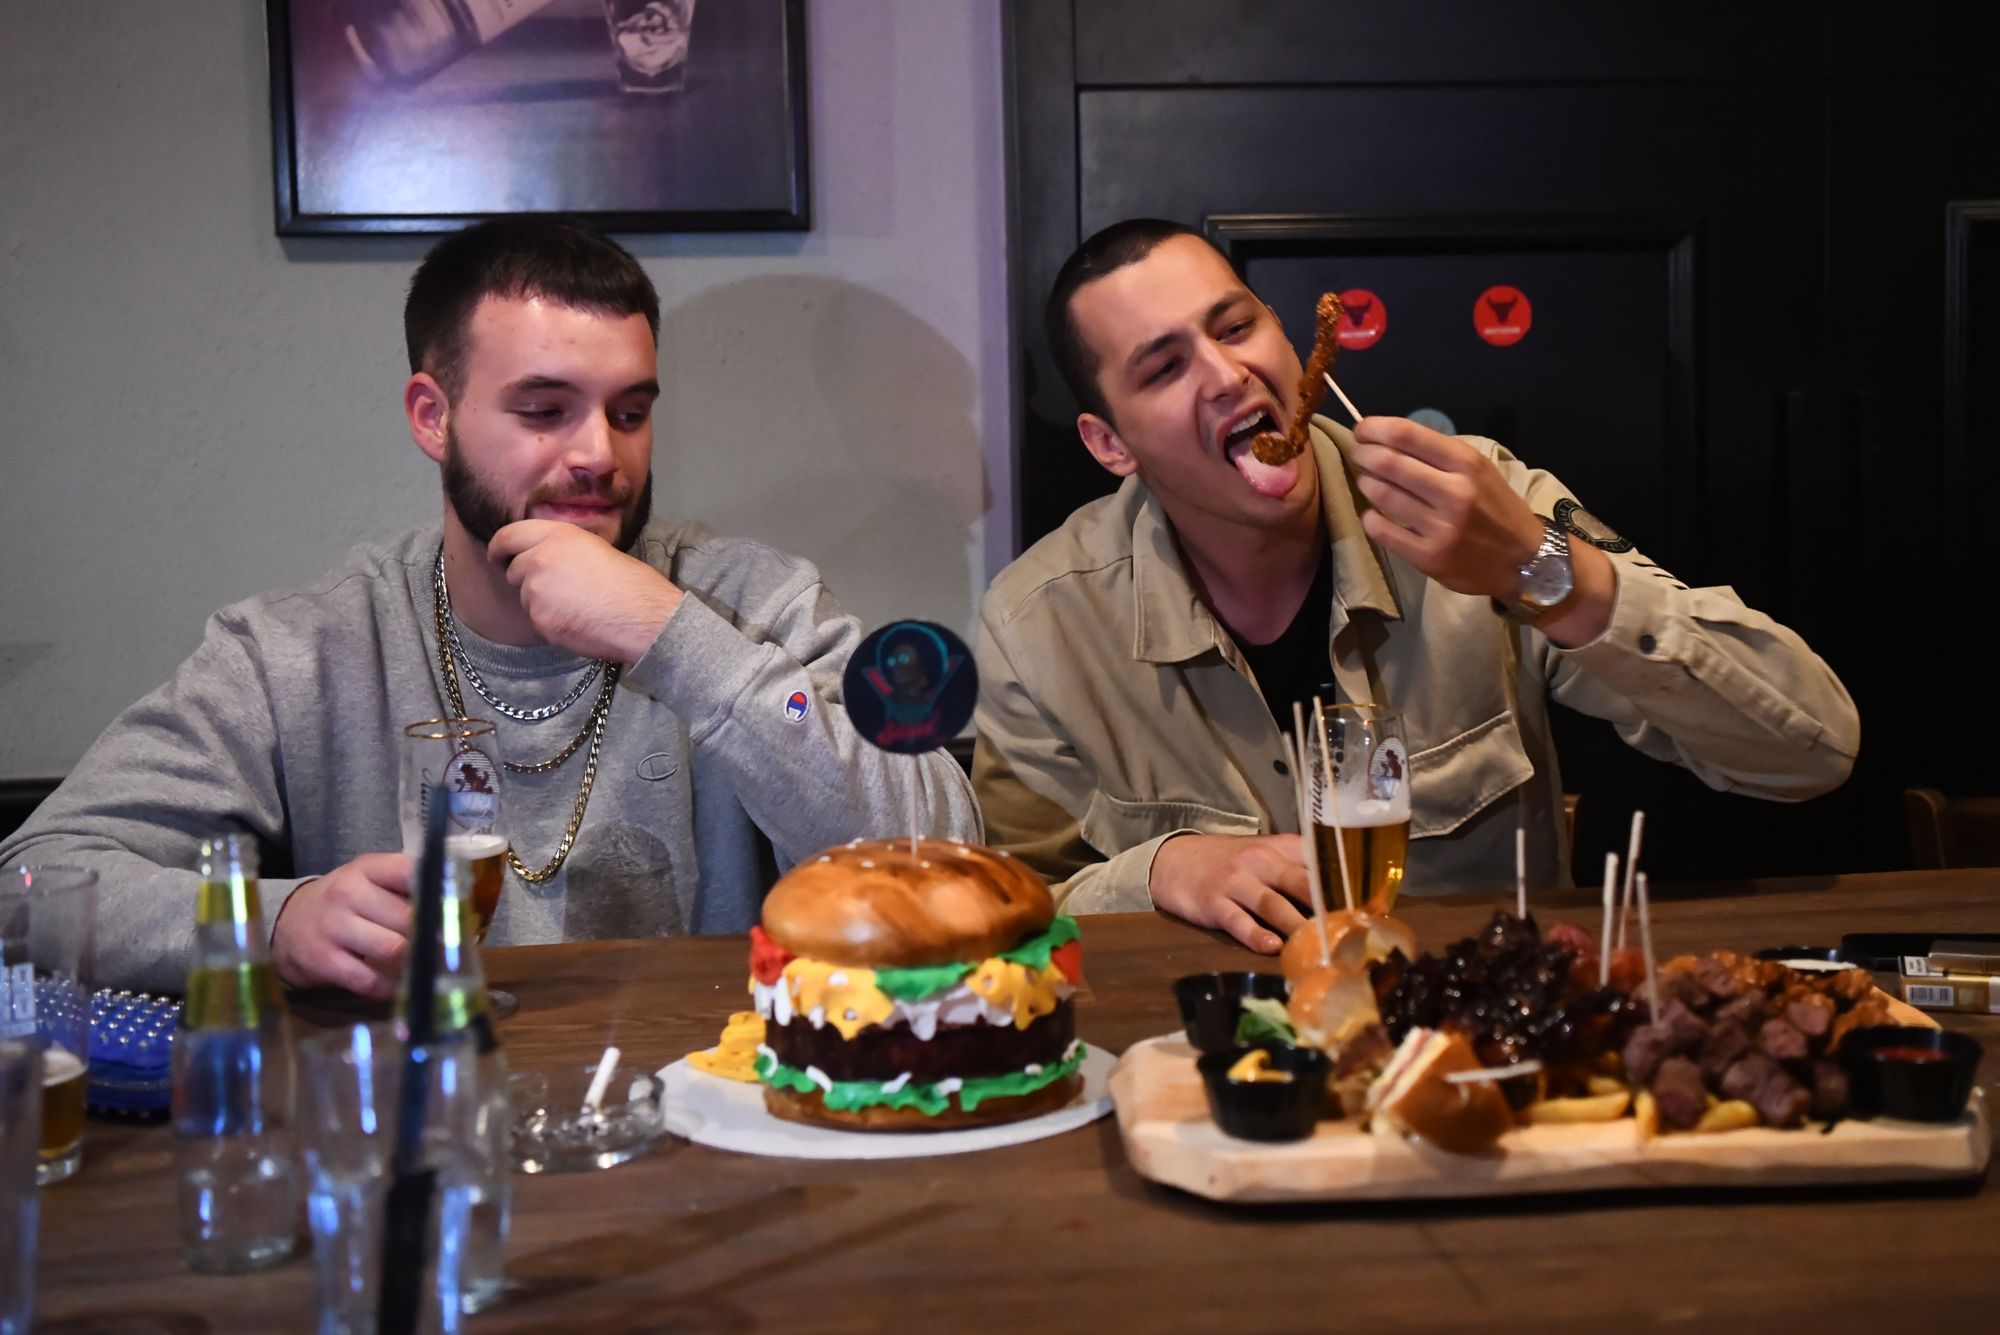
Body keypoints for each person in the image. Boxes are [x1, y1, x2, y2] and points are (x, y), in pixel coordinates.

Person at [3, 218, 980, 996]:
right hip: (414, 1132)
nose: (599, 452)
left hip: (715, 1125)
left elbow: (944, 855)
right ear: (433, 416)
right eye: (544, 410)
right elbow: (32, 882)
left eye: (629, 412)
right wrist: (274, 921)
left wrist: (673, 639)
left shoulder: (753, 602)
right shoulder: (295, 651)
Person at [972, 219, 1857, 952]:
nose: (1227, 373)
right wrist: (1159, 871)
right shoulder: (1038, 626)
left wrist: (1535, 568)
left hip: (1479, 1049)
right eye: (1164, 368)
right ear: (1109, 444)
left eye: (1236, 327)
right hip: (1211, 1078)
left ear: (1285, 337)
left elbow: (1811, 751)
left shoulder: (1484, 502)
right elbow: (1001, 907)